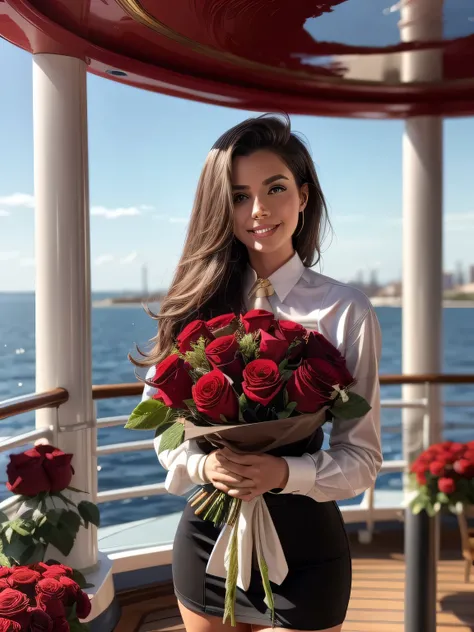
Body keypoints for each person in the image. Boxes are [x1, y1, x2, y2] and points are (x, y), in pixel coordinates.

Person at [132, 114, 382, 632]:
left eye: (275, 188)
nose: (259, 210)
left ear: (304, 196)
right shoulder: (190, 304)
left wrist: (285, 473)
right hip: (208, 531)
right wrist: (205, 469)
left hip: (307, 542)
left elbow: (362, 457)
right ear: (220, 207)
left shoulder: (345, 310)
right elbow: (164, 433)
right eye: (240, 195)